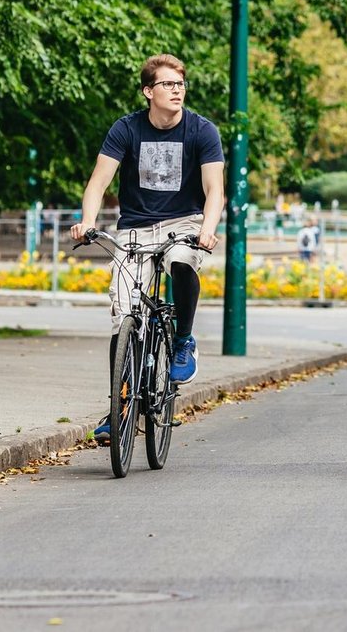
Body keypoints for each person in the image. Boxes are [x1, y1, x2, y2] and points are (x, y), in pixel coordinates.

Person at [70, 54, 225, 445]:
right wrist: (87, 221)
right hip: (135, 228)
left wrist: (207, 230)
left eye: (180, 84)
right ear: (147, 91)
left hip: (185, 222)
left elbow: (215, 190)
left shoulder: (202, 130)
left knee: (181, 262)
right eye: (167, 84)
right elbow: (98, 183)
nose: (176, 91)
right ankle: (120, 410)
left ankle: (184, 340)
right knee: (124, 317)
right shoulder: (126, 129)